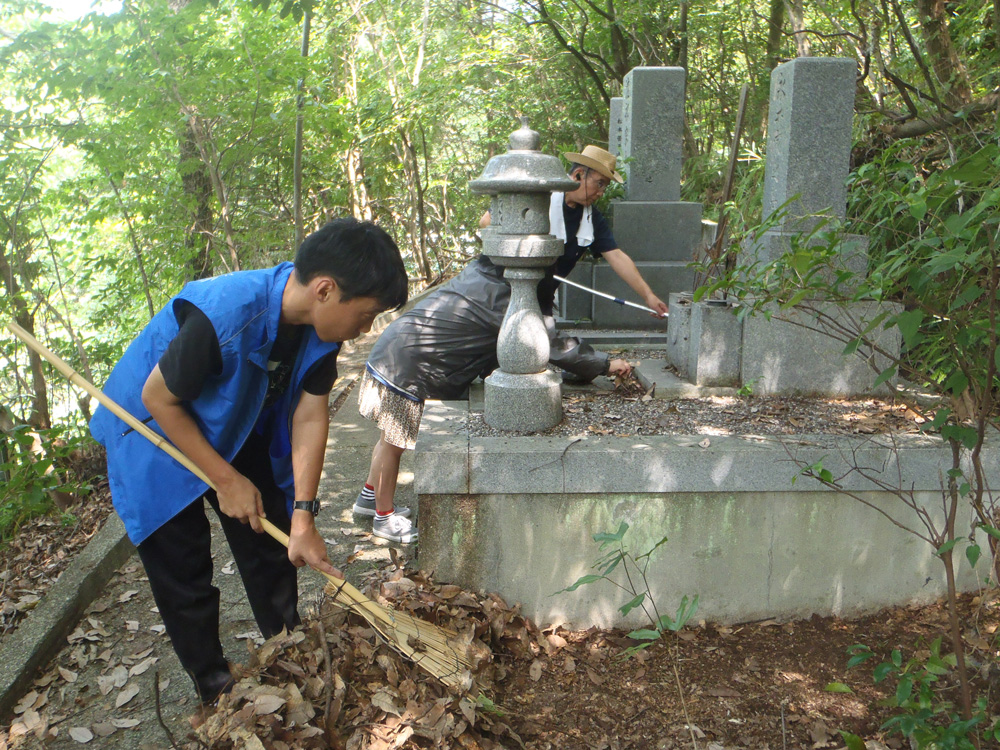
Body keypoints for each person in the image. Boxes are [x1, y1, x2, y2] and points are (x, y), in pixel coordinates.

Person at [89, 218, 408, 707]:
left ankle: (286, 645)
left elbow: (308, 414)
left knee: (270, 533)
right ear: (326, 289)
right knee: (184, 568)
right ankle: (215, 688)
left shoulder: (319, 331)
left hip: (233, 418)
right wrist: (224, 478)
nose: (366, 329)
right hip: (151, 431)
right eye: (365, 316)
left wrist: (303, 515)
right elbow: (158, 397)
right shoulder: (225, 314)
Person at [353, 145, 668, 544]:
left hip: (412, 345)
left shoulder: (587, 218)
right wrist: (604, 364)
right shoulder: (498, 287)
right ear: (576, 176)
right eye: (598, 182)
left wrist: (647, 295)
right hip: (406, 357)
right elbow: (547, 343)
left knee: (391, 438)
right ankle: (383, 515)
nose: (600, 190)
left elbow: (614, 255)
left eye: (606, 184)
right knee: (393, 439)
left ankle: (369, 497)